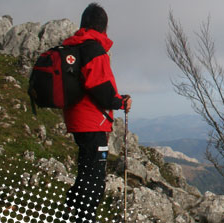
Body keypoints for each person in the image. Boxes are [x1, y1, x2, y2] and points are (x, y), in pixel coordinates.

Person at [61, 3, 131, 222]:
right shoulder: (94, 49)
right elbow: (100, 88)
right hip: (92, 122)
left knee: (85, 173)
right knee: (95, 182)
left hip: (77, 120)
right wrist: (120, 102)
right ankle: (83, 217)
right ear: (104, 27)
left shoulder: (74, 47)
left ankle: (69, 212)